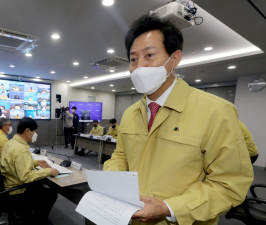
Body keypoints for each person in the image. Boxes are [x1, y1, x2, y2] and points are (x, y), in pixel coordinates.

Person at [103, 14, 253, 225]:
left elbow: (229, 184)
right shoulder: (130, 113)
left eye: (149, 55)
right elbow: (120, 157)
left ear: (174, 59)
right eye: (133, 59)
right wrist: (110, 181)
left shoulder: (216, 111)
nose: (139, 67)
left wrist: (169, 208)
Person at [0, 117, 59, 224]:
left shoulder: (11, 143)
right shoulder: (21, 149)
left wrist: (37, 162)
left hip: (8, 184)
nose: (35, 134)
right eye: (34, 132)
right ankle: (38, 221)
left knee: (40, 183)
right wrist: (49, 171)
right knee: (51, 194)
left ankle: (30, 214)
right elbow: (26, 177)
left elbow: (15, 164)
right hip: (17, 192)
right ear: (27, 131)